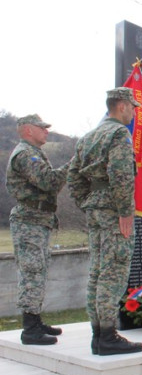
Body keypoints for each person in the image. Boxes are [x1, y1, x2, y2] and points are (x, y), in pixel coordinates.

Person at [67, 87, 142, 355]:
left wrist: (87, 202)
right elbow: (121, 174)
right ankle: (108, 334)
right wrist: (125, 211)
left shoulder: (88, 137)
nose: (134, 111)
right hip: (114, 210)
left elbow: (73, 176)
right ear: (121, 105)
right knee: (114, 270)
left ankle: (98, 334)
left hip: (96, 209)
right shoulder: (117, 134)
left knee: (98, 271)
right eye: (132, 107)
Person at [5, 114, 68, 345]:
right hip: (29, 221)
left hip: (38, 220)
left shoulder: (34, 153)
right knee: (32, 272)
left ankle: (35, 319)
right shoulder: (25, 154)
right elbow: (49, 182)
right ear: (28, 130)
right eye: (42, 128)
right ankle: (30, 329)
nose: (47, 131)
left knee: (38, 272)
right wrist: (74, 164)